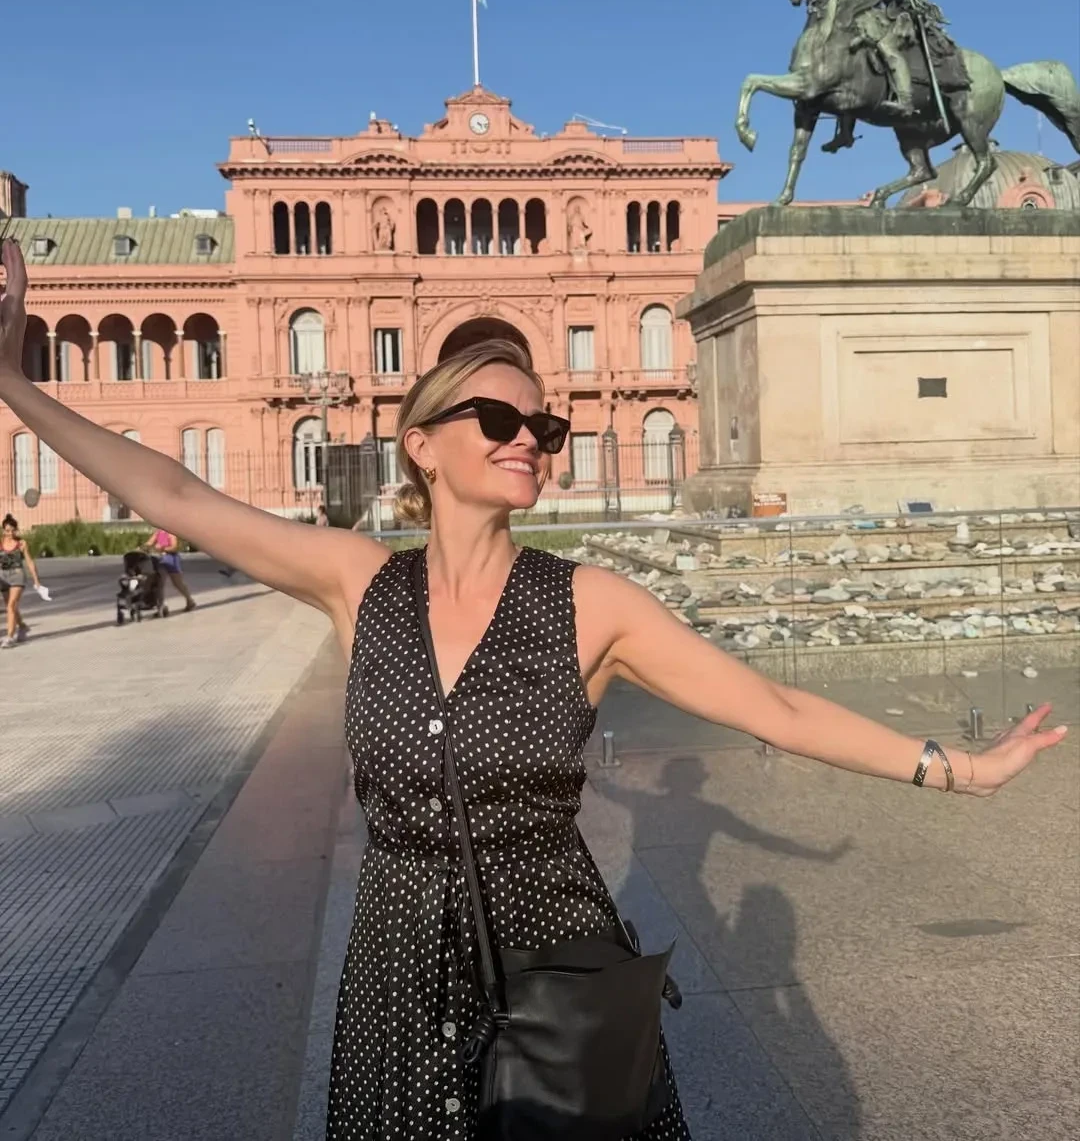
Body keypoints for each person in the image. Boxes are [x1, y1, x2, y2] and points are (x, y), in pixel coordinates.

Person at [0, 235, 1067, 1138]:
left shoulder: (590, 604)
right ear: (421, 446)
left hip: (555, 968)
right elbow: (175, 491)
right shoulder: (360, 582)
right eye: (499, 421)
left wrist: (955, 769)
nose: (530, 442)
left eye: (545, 429)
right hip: (396, 975)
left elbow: (776, 708)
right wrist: (12, 381)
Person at [1, 512, 40, 648]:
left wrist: (36, 580)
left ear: (16, 530)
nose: (10, 533)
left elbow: (29, 562)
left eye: (12, 530)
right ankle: (22, 627)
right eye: (7, 531)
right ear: (3, 530)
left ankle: (10, 636)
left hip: (17, 576)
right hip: (3, 577)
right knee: (11, 607)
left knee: (11, 605)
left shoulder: (21, 543)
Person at [145, 525, 197, 612]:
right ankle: (160, 607)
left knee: (178, 583)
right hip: (161, 561)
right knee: (160, 583)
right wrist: (145, 547)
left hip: (172, 560)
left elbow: (174, 547)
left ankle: (190, 600)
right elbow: (149, 543)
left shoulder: (170, 533)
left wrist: (163, 548)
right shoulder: (159, 533)